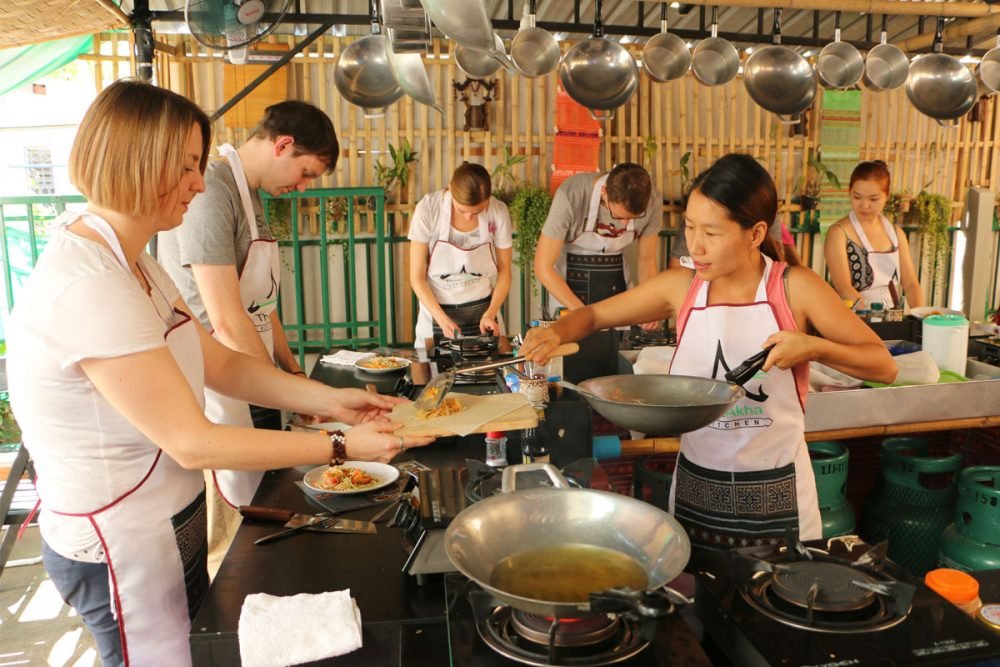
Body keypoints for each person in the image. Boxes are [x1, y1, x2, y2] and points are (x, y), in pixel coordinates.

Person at [6, 80, 433, 666]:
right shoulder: (91, 284)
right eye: (185, 166)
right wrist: (338, 445)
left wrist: (331, 400)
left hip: (163, 521)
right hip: (119, 539)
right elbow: (192, 441)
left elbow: (222, 363)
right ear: (135, 161)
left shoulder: (139, 268)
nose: (199, 184)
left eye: (199, 166)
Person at [521, 154, 896, 547]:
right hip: (696, 493)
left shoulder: (794, 288)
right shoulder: (682, 288)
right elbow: (594, 316)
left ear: (755, 234)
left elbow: (883, 366)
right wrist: (556, 330)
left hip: (777, 498)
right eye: (689, 227)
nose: (695, 245)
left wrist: (812, 347)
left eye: (712, 233)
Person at [157, 100, 338, 571]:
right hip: (215, 379)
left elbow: (261, 305)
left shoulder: (250, 195)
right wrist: (285, 391)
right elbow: (227, 316)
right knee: (233, 533)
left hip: (251, 374)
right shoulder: (214, 191)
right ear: (282, 145)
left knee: (264, 505)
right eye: (306, 173)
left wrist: (295, 373)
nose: (300, 188)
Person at [408, 162, 513, 346]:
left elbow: (505, 273)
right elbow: (417, 277)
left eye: (478, 211)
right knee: (433, 373)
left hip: (484, 312)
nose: (469, 218)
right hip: (436, 313)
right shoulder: (429, 209)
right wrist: (442, 319)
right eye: (462, 210)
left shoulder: (498, 212)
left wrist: (491, 312)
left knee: (491, 372)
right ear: (450, 188)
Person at [824, 160, 923, 309]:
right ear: (849, 192)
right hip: (854, 318)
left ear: (887, 196)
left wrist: (921, 317)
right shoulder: (838, 233)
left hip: (892, 316)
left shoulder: (896, 234)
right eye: (857, 197)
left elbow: (910, 283)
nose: (864, 205)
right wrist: (871, 319)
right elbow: (843, 287)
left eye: (873, 199)